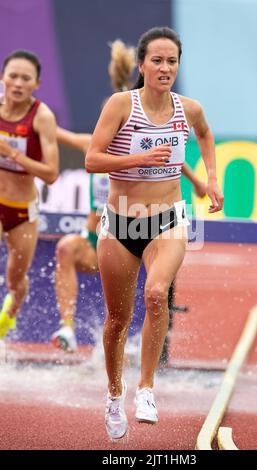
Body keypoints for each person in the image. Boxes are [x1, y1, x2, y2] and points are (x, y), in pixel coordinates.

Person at [85, 27, 223, 440]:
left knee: (157, 293)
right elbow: (92, 159)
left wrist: (211, 178)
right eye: (157, 61)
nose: (165, 68)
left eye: (172, 61)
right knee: (117, 320)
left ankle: (146, 388)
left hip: (167, 219)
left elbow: (205, 134)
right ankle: (114, 395)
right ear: (142, 64)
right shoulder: (120, 105)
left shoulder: (188, 109)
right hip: (121, 222)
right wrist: (139, 158)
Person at [51, 40, 207, 354]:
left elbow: (173, 156)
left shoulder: (141, 135)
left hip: (145, 223)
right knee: (67, 248)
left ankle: (153, 347)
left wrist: (200, 183)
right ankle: (67, 328)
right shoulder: (89, 145)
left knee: (157, 282)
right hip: (101, 236)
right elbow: (53, 131)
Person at [0, 50, 59, 338]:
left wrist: (11, 153)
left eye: (26, 78)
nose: (18, 83)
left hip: (23, 210)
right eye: (13, 76)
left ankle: (8, 316)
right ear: (3, 78)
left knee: (16, 278)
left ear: (36, 84)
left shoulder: (42, 116)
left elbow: (51, 173)